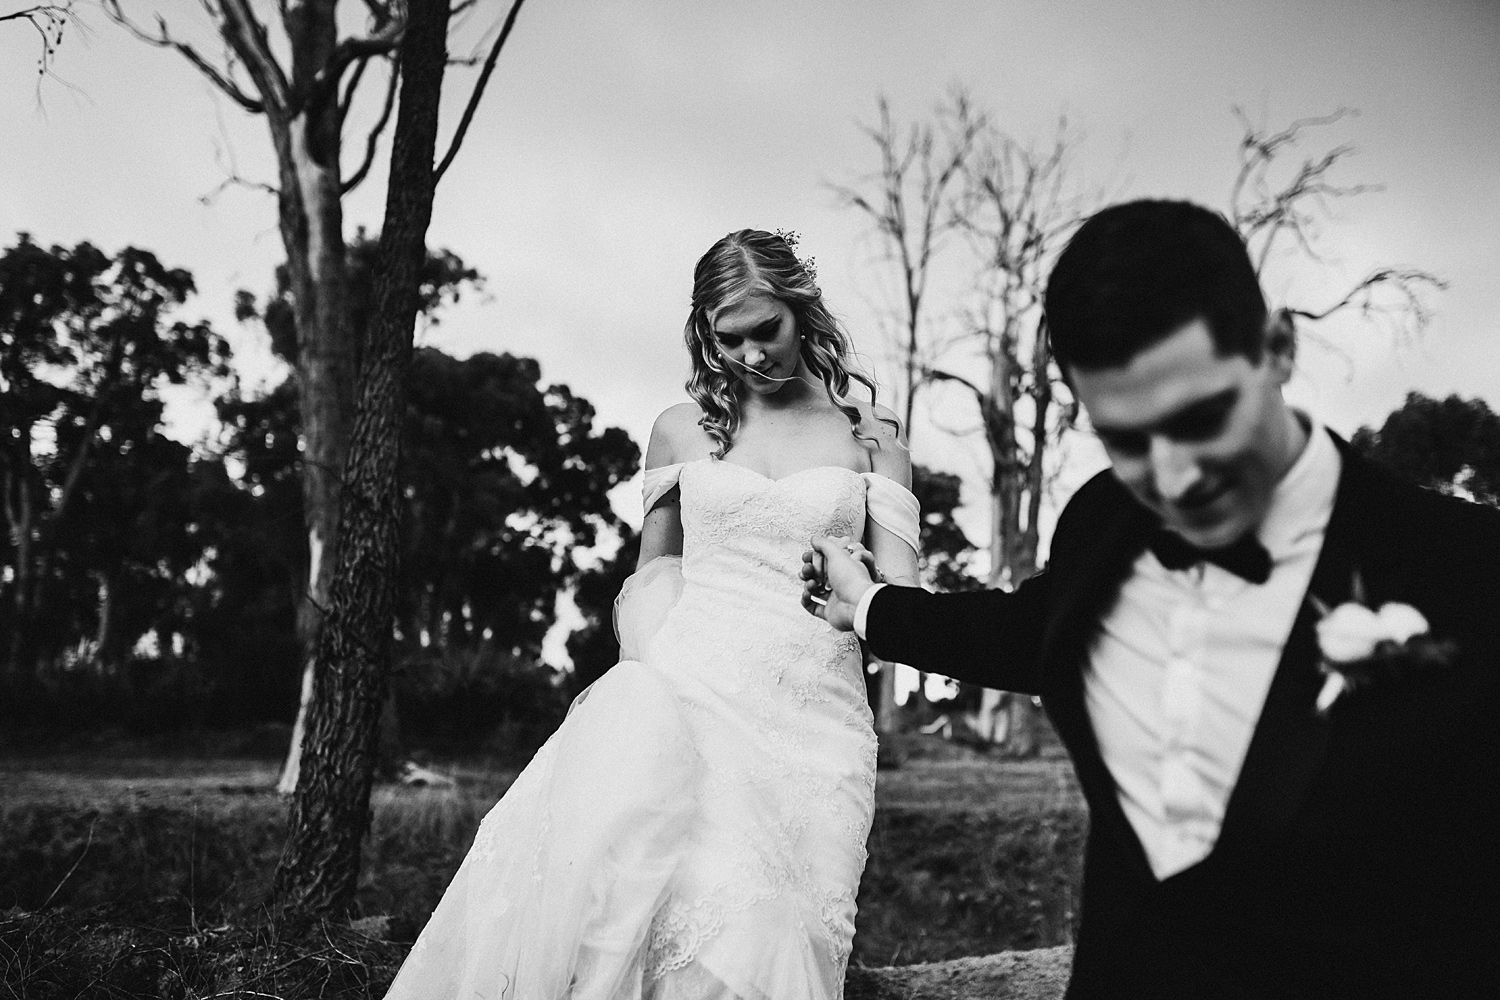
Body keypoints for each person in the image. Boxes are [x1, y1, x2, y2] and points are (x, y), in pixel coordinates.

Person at [804, 200, 1499, 999]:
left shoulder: (1470, 571)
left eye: (1202, 420)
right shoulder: (1101, 523)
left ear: (1278, 348)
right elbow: (1021, 632)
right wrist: (868, 604)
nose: (1174, 479)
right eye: (1126, 439)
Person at [385, 229, 921, 999]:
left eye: (766, 330)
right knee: (684, 905)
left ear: (801, 310)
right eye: (728, 339)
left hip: (819, 716)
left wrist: (858, 578)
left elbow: (903, 604)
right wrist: (639, 693)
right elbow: (652, 573)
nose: (751, 356)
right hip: (693, 697)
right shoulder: (681, 429)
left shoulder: (872, 435)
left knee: (797, 926)